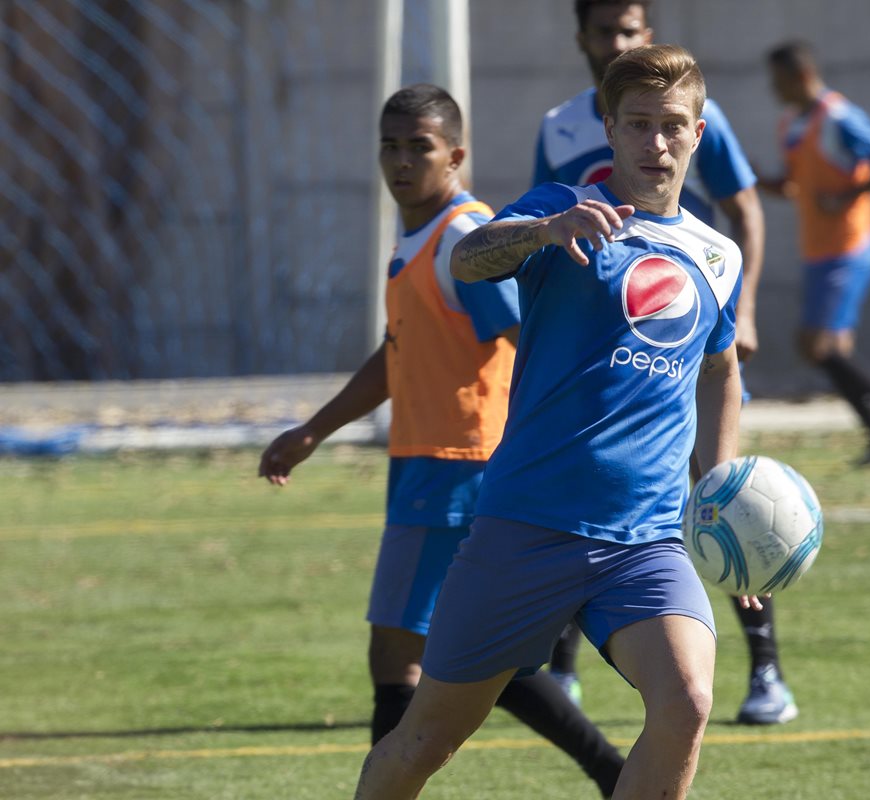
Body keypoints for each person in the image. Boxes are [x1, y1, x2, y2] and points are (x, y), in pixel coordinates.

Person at [351, 45, 754, 800]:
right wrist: (541, 232)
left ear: (698, 133)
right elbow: (466, 260)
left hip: (645, 542)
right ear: (610, 127)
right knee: (426, 740)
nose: (655, 143)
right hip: (525, 528)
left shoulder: (716, 255)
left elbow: (722, 369)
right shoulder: (557, 209)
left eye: (672, 126)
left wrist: (720, 490)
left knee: (688, 702)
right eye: (637, 124)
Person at [258, 84, 624, 797]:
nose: (400, 160)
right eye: (389, 146)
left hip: (455, 467)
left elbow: (531, 336)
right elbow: (398, 352)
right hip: (429, 465)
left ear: (454, 154)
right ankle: (614, 775)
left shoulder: (463, 236)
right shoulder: (421, 237)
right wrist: (313, 431)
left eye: (418, 146)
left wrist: (575, 430)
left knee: (396, 654)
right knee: (490, 659)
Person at [532, 0, 796, 727]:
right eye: (604, 31)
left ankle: (766, 665)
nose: (615, 41)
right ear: (582, 39)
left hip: (681, 329)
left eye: (629, 30)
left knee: (723, 494)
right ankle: (563, 670)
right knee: (577, 485)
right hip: (592, 350)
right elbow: (534, 234)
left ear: (645, 35)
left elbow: (744, 207)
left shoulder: (686, 110)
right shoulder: (559, 127)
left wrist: (740, 312)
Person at [759, 39, 870, 465]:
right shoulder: (791, 125)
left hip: (849, 245)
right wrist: (752, 180)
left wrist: (847, 197)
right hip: (817, 250)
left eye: (779, 80)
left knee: (818, 346)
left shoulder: (839, 116)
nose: (774, 90)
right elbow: (792, 185)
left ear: (801, 76)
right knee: (826, 350)